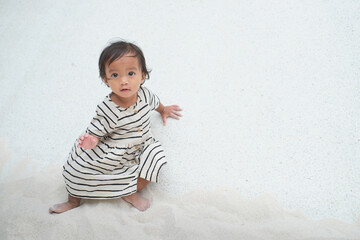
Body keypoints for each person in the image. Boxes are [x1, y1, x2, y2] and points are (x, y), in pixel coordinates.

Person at [49, 40, 182, 214]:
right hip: (115, 151)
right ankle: (73, 201)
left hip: (141, 145)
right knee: (76, 171)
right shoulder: (108, 108)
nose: (124, 81)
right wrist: (91, 140)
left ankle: (130, 191)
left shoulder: (145, 94)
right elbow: (96, 129)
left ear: (142, 76)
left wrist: (164, 110)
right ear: (106, 80)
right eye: (115, 75)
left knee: (157, 157)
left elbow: (155, 103)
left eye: (131, 73)